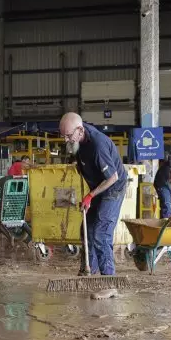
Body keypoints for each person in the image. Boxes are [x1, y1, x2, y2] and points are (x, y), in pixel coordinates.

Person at [59, 112, 126, 276]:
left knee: (101, 234)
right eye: (63, 136)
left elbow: (112, 177)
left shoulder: (98, 145)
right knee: (86, 231)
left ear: (80, 130)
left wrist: (90, 196)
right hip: (97, 187)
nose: (65, 140)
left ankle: (108, 278)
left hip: (112, 188)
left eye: (68, 136)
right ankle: (88, 271)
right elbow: (79, 153)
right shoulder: (78, 139)